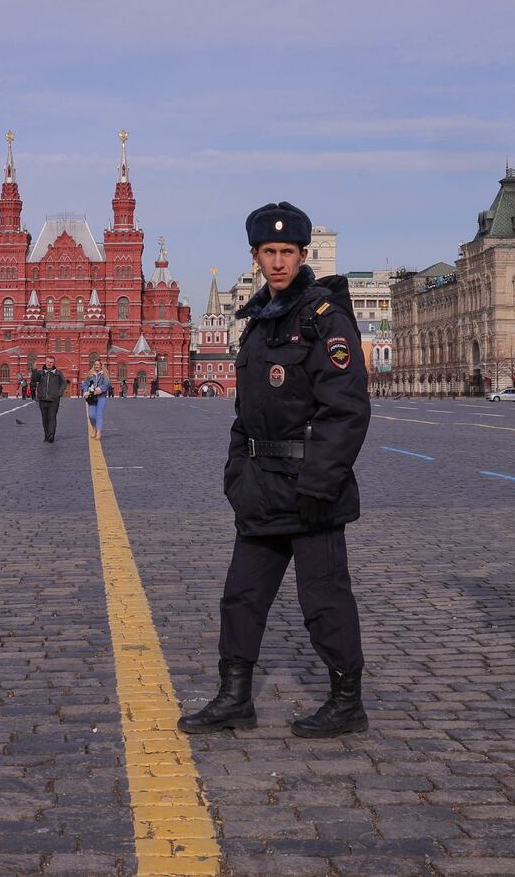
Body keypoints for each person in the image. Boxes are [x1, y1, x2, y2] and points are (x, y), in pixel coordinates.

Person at [178, 201, 372, 740]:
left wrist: (320, 482)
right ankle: (235, 697)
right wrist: (235, 471)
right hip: (261, 488)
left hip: (312, 488)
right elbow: (248, 410)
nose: (280, 262)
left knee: (324, 599)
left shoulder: (323, 318)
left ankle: (346, 700)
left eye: (289, 252)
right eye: (270, 252)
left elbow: (348, 409)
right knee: (242, 595)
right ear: (256, 256)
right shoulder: (259, 323)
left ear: (303, 255)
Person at [32, 356, 67, 443]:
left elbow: (64, 383)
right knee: (45, 419)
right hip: (42, 399)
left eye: (51, 362)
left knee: (52, 417)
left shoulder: (58, 373)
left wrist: (58, 394)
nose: (49, 363)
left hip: (54, 400)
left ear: (54, 363)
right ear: (45, 362)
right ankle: (46, 435)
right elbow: (34, 380)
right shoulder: (41, 373)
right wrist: (34, 370)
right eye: (48, 361)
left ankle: (51, 435)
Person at [82, 358, 112, 440]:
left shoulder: (105, 375)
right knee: (91, 415)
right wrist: (85, 391)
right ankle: (94, 427)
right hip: (92, 398)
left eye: (98, 365)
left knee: (99, 414)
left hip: (101, 397)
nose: (96, 366)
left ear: (101, 366)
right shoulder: (90, 375)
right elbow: (85, 384)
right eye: (95, 365)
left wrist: (97, 390)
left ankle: (98, 431)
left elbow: (106, 384)